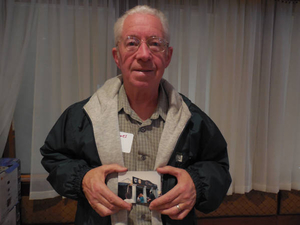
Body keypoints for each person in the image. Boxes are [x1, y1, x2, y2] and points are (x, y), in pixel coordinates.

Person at [40, 5, 231, 225]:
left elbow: (218, 166)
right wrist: (82, 178)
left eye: (155, 44)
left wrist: (197, 183)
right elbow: (53, 157)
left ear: (167, 56)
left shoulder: (193, 121)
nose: (144, 54)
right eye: (132, 43)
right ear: (117, 56)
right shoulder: (82, 117)